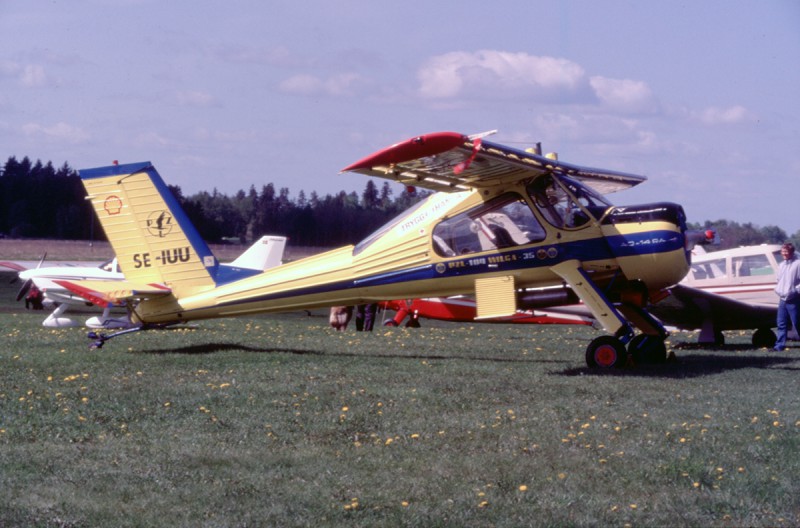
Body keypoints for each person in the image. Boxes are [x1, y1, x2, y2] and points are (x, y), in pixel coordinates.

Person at [774, 242, 800, 351]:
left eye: (786, 251)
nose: (784, 254)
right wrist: (778, 290)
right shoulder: (781, 265)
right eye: (783, 251)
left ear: (791, 252)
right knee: (781, 323)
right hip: (782, 299)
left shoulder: (798, 264)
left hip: (793, 298)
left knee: (797, 322)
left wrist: (796, 291)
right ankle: (779, 345)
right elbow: (779, 279)